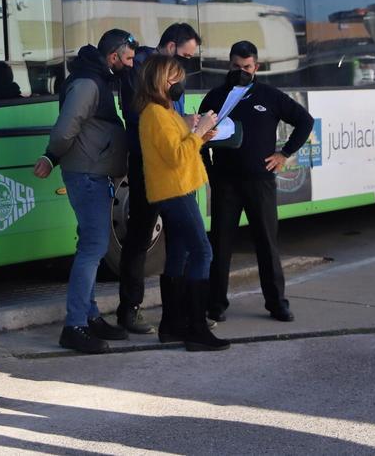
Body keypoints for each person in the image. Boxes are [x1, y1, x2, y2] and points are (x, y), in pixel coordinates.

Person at [34, 29, 136, 354]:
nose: (132, 64)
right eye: (129, 58)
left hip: (94, 172)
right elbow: (66, 128)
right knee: (94, 246)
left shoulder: (97, 80)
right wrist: (52, 155)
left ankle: (90, 317)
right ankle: (74, 325)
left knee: (93, 244)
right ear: (113, 56)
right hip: (87, 174)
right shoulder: (88, 84)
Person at [199, 41, 314, 323]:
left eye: (247, 67)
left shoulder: (270, 95)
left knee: (266, 244)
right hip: (226, 183)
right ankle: (216, 305)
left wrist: (284, 154)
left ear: (257, 67)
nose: (242, 71)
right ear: (229, 65)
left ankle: (277, 304)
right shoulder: (215, 97)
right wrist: (211, 173)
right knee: (221, 245)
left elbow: (305, 121)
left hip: (260, 183)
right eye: (237, 67)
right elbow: (198, 140)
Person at [135, 55, 230, 352]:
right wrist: (199, 130)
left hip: (178, 188)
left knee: (178, 254)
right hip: (175, 190)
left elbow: (181, 150)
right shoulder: (155, 113)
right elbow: (176, 157)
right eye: (175, 77)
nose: (180, 83)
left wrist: (199, 134)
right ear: (161, 80)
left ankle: (172, 325)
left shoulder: (164, 111)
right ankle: (196, 328)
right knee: (202, 251)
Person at [116, 22, 202, 334]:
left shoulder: (168, 74)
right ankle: (130, 310)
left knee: (180, 238)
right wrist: (185, 123)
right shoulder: (143, 71)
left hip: (171, 163)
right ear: (169, 47)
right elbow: (146, 118)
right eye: (185, 56)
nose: (187, 64)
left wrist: (192, 127)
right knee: (141, 235)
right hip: (150, 165)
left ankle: (178, 314)